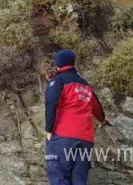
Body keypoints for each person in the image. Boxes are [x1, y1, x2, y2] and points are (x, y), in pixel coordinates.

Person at [44, 49, 109, 185]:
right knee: (79, 180)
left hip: (64, 137)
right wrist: (103, 120)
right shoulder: (85, 85)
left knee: (59, 177)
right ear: (73, 63)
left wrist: (49, 130)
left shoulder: (58, 81)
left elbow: (51, 103)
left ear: (58, 64)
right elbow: (96, 107)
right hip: (85, 140)